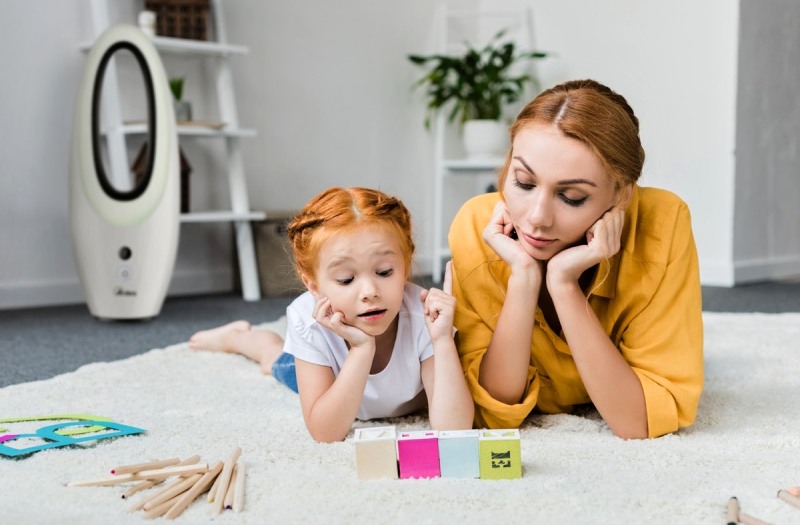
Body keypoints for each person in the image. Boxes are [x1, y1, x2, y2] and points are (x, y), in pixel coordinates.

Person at [448, 79, 703, 439]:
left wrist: (563, 285)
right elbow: (493, 414)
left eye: (571, 197)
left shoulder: (662, 223)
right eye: (523, 182)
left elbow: (639, 421)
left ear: (621, 195)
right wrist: (523, 278)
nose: (537, 217)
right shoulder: (477, 226)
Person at [190, 187, 474, 442]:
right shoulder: (307, 320)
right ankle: (244, 338)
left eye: (385, 272)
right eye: (346, 279)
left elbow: (456, 430)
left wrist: (443, 341)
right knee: (276, 362)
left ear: (405, 265)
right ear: (313, 286)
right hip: (333, 388)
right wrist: (362, 349)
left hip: (396, 394)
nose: (369, 291)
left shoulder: (424, 316)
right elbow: (325, 433)